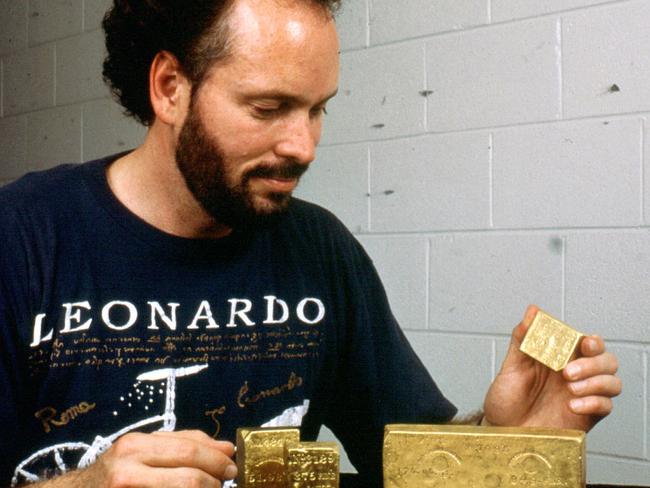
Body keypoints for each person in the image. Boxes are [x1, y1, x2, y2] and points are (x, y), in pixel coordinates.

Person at [0, 0, 621, 486]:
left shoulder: (319, 250)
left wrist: (506, 441)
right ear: (169, 88)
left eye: (317, 109)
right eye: (268, 108)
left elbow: (408, 466)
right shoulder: (24, 237)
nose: (304, 146)